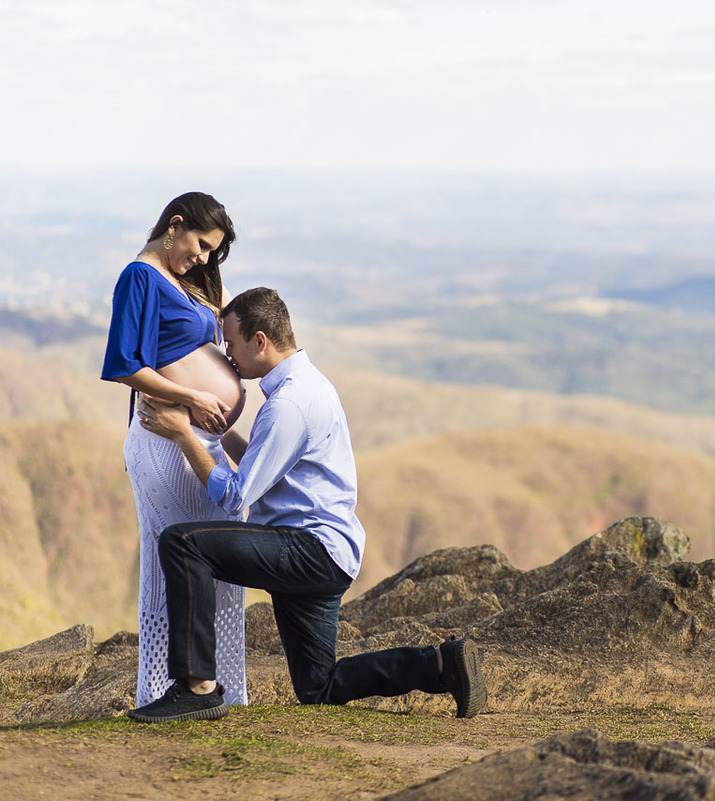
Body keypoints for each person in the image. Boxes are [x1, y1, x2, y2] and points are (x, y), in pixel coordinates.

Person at [127, 287, 486, 722]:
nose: (228, 355)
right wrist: (218, 434)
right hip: (328, 556)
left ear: (260, 341)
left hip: (306, 548)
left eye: (232, 343)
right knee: (318, 687)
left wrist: (185, 435)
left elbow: (239, 494)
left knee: (184, 544)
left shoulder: (290, 403)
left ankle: (197, 687)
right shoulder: (306, 386)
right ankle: (444, 665)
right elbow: (271, 468)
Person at [101, 192, 248, 708]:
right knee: (175, 567)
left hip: (202, 443)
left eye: (214, 252)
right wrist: (193, 396)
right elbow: (124, 363)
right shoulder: (139, 277)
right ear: (175, 224)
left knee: (222, 564)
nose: (205, 258)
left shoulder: (184, 278)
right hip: (167, 446)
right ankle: (173, 689)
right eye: (202, 245)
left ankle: (220, 688)